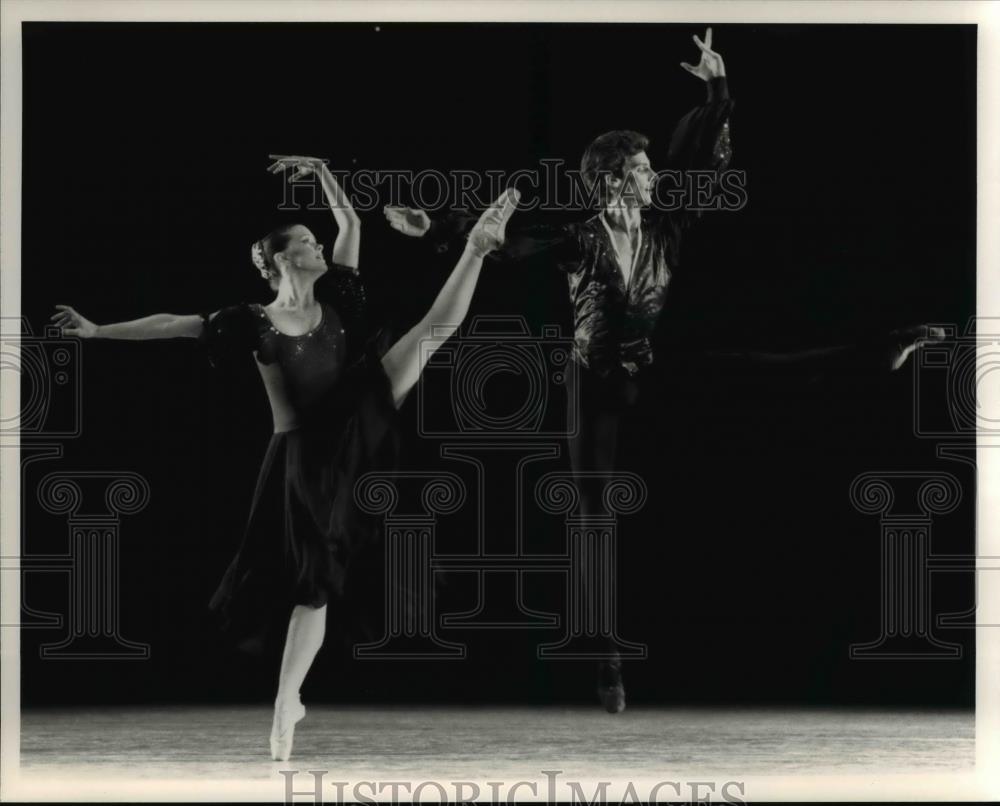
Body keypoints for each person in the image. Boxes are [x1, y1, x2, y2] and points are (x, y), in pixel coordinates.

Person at [384, 28, 944, 714]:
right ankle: (606, 664)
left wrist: (716, 88)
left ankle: (881, 348)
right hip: (592, 381)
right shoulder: (578, 234)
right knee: (593, 520)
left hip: (649, 367)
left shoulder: (666, 226)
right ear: (617, 176)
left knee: (757, 367)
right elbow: (506, 241)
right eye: (643, 170)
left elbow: (702, 166)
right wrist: (436, 226)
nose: (655, 178)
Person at [52, 155, 520, 761]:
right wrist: (97, 331)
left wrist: (325, 172)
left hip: (360, 407)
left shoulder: (339, 298)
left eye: (314, 236)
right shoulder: (249, 322)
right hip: (306, 453)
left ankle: (478, 248)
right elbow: (174, 323)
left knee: (432, 331)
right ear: (278, 260)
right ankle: (286, 703)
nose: (318, 242)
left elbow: (350, 221)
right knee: (313, 586)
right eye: (304, 240)